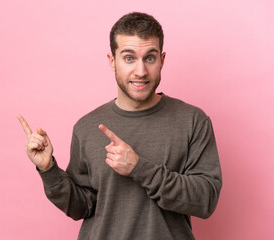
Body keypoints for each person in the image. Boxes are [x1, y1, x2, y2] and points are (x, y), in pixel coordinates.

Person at [18, 12, 222, 240]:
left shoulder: (192, 121)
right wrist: (48, 170)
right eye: (129, 58)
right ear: (112, 60)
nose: (141, 71)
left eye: (150, 58)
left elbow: (206, 199)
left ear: (162, 60)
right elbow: (81, 207)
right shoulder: (87, 127)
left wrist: (138, 168)